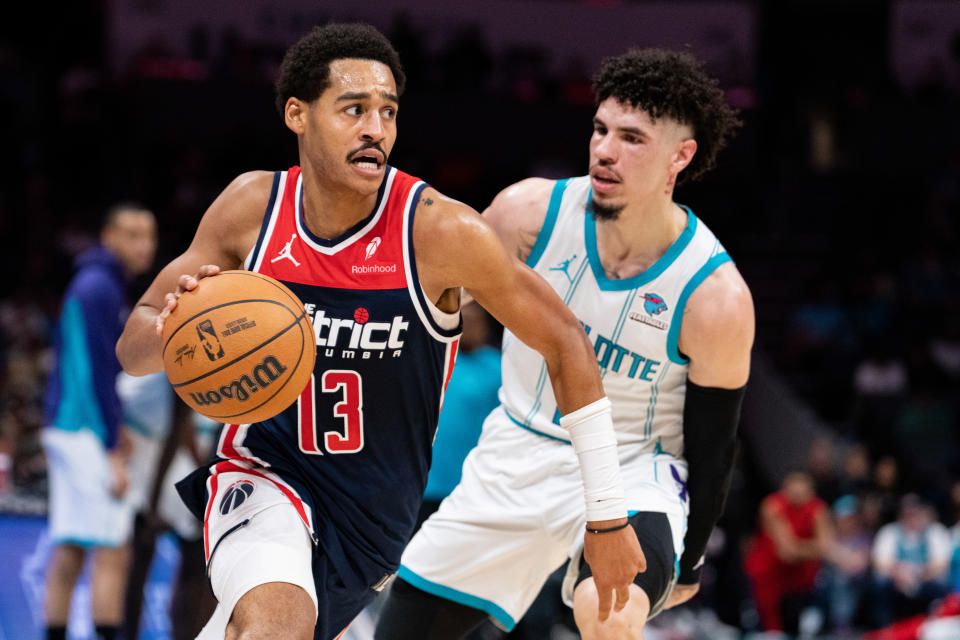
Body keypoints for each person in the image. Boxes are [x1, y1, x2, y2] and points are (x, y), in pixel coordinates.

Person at [115, 23, 644, 640]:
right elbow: (134, 347)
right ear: (298, 114)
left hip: (372, 527)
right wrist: (178, 329)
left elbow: (567, 343)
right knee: (274, 625)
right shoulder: (251, 209)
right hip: (262, 473)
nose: (377, 129)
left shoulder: (441, 234)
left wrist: (607, 515)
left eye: (388, 111)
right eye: (354, 109)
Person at [375, 48, 752, 640]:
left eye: (632, 138)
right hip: (517, 450)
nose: (604, 150)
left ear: (681, 156)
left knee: (608, 614)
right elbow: (420, 304)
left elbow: (715, 442)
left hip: (636, 467)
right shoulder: (528, 215)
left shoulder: (715, 297)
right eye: (600, 129)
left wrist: (692, 556)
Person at [42, 202, 157, 640]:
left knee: (71, 544)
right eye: (132, 234)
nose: (144, 245)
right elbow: (95, 371)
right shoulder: (100, 287)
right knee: (113, 548)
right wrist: (111, 447)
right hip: (84, 430)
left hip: (66, 425)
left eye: (149, 235)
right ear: (108, 237)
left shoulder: (93, 283)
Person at [744, 470, 832, 634]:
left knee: (799, 626)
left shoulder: (818, 508)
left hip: (801, 577)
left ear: (810, 491)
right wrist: (813, 547)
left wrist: (802, 548)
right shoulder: (772, 505)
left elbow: (825, 547)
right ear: (784, 490)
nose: (798, 497)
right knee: (772, 629)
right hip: (769, 574)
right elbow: (787, 553)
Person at [870, 493, 952, 628]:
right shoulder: (889, 532)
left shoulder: (935, 531)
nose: (910, 516)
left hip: (926, 582)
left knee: (941, 585)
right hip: (896, 583)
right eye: (906, 512)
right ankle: (884, 629)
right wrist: (899, 574)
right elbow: (880, 564)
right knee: (880, 584)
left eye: (914, 512)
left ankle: (934, 628)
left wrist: (917, 575)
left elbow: (941, 565)